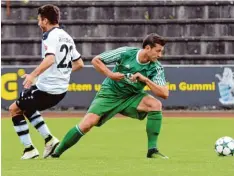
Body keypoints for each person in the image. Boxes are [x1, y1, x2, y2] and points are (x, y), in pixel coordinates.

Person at [51, 33, 169, 159]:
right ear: (147, 48)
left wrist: (145, 80)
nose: (160, 55)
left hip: (132, 97)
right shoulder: (126, 53)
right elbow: (96, 60)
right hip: (109, 94)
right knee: (87, 124)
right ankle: (56, 153)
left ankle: (152, 150)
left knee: (155, 105)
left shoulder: (156, 67)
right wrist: (110, 74)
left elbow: (164, 93)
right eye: (158, 51)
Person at [9, 4, 84, 159]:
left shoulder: (51, 36)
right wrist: (61, 73)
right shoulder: (66, 36)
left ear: (45, 20)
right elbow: (79, 64)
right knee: (27, 105)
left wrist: (32, 75)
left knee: (14, 109)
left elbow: (50, 59)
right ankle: (49, 140)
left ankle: (29, 149)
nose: (38, 23)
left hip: (47, 89)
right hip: (59, 90)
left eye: (39, 20)